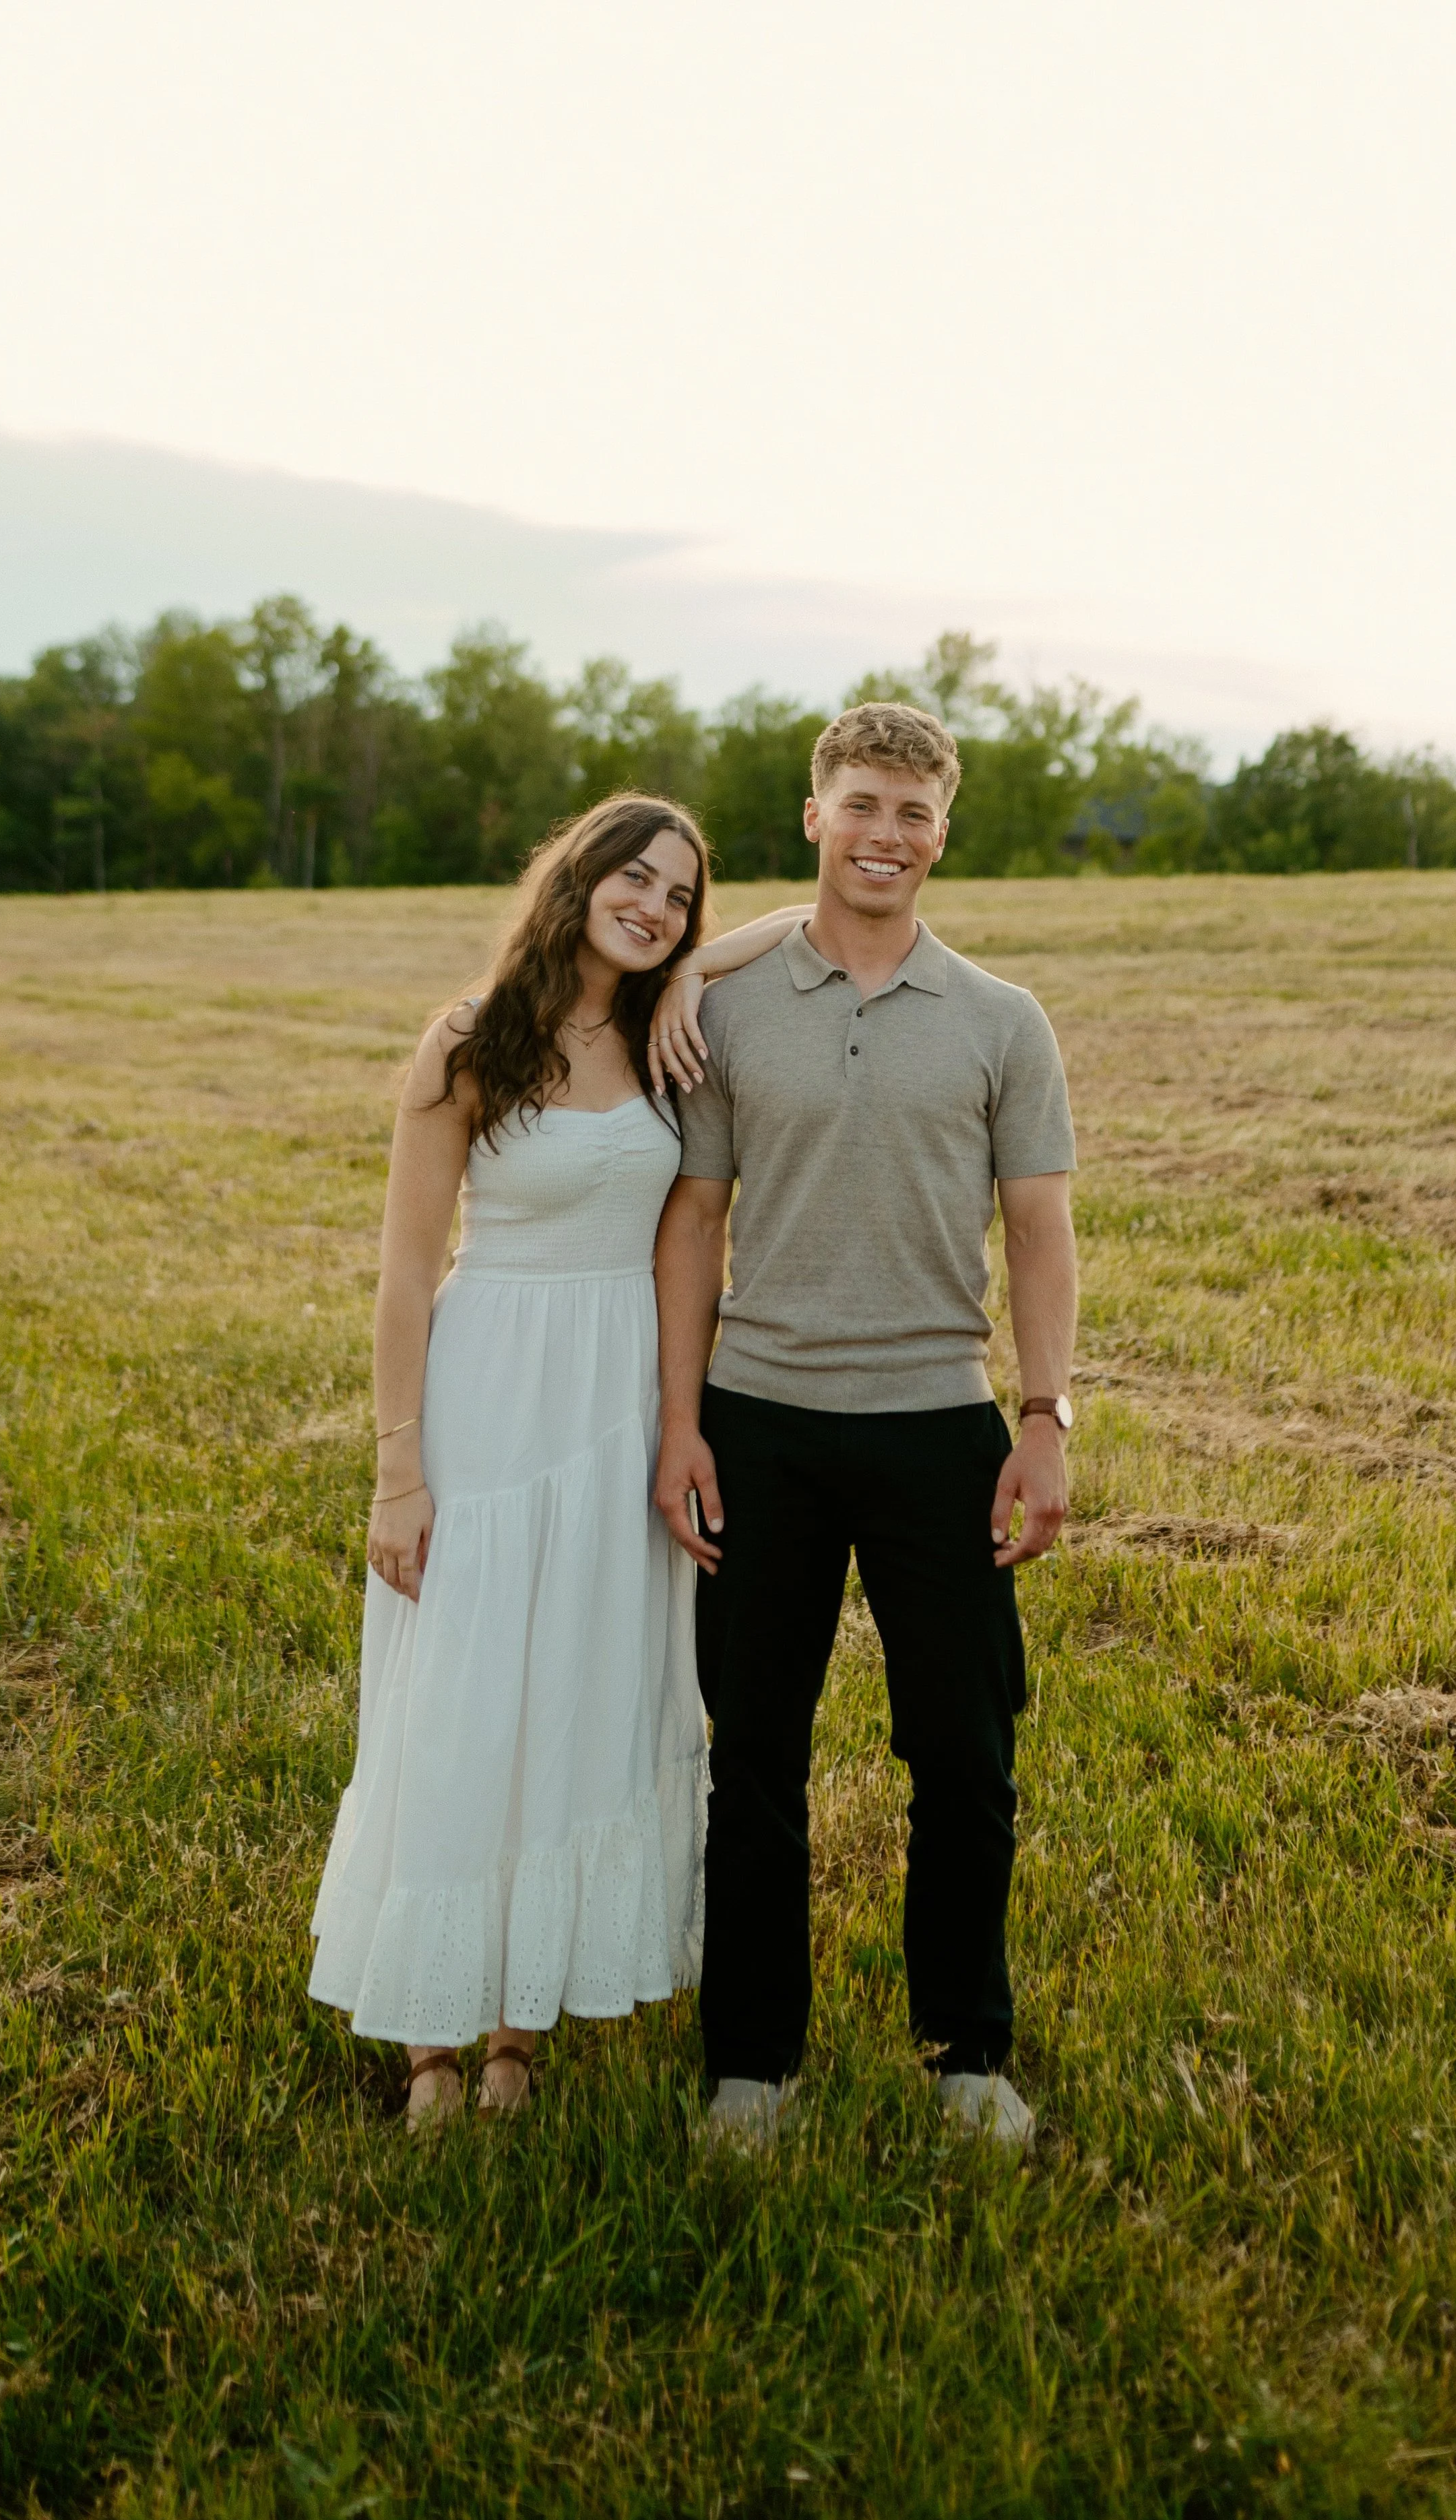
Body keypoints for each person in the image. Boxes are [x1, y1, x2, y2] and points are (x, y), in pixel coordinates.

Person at [308, 794, 811, 2128]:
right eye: (632, 879)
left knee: (586, 1686)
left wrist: (695, 967)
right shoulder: (470, 1040)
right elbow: (405, 1275)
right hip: (488, 1391)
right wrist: (398, 1471)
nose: (653, 907)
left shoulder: (665, 1033)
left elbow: (797, 922)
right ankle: (429, 2040)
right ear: (575, 878)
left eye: (678, 897)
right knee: (464, 1691)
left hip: (621, 1398)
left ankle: (518, 2031)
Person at [653, 703, 1079, 2149]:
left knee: (964, 1760)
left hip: (937, 1428)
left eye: (912, 811)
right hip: (758, 1425)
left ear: (941, 834)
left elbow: (1040, 1232)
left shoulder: (1001, 1020)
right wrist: (680, 1422)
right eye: (861, 804)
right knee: (753, 1761)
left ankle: (966, 2057)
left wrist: (1042, 1418)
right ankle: (750, 2069)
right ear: (814, 817)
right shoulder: (727, 1009)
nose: (884, 834)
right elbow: (693, 1221)